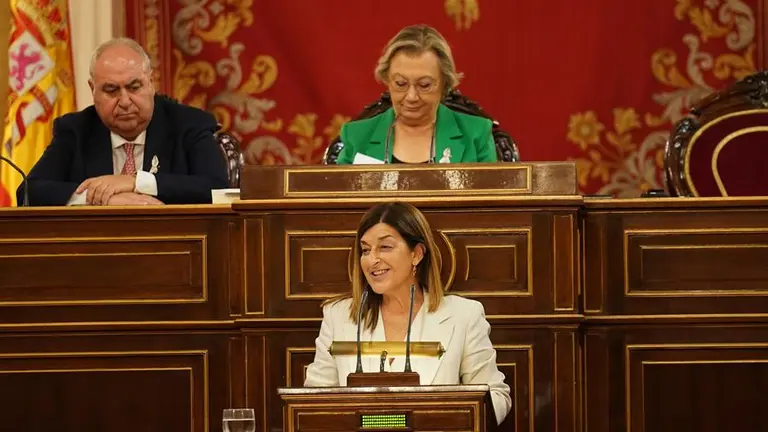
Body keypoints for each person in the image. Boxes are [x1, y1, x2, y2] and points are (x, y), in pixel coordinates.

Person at [304, 202, 511, 425]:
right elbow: (315, 403)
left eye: (385, 247)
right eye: (365, 250)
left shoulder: (463, 315)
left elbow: (496, 397)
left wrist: (444, 419)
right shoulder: (339, 317)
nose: (372, 260)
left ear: (417, 254)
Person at [19, 37, 228, 206]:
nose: (125, 101)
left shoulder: (188, 123)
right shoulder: (75, 130)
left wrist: (137, 182)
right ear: (93, 90)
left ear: (151, 83)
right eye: (111, 90)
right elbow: (29, 192)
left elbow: (218, 188)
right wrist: (103, 199)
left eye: (134, 87)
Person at [336, 25, 497, 165]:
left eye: (424, 85)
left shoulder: (476, 134)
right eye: (400, 84)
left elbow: (491, 197)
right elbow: (343, 197)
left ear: (444, 84)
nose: (411, 96)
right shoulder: (357, 137)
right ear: (387, 80)